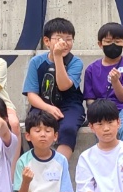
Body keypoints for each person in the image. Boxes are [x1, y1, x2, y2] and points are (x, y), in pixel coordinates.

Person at [23, 16, 84, 160]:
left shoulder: (76, 63)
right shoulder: (36, 62)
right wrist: (47, 108)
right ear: (47, 41)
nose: (64, 43)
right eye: (59, 38)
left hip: (69, 105)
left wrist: (58, 58)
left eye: (68, 39)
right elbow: (31, 94)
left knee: (68, 129)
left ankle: (58, 167)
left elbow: (64, 86)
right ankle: (40, 162)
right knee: (36, 126)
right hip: (43, 104)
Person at [82, 22, 123, 144]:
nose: (113, 45)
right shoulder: (91, 69)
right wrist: (100, 110)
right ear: (100, 44)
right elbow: (89, 100)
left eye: (117, 41)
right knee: (101, 126)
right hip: (102, 109)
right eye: (108, 41)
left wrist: (115, 82)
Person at [11, 109, 73, 192]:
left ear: (55, 136)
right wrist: (26, 182)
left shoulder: (61, 160)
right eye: (38, 131)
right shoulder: (23, 161)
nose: (43, 134)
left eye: (48, 131)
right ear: (28, 136)